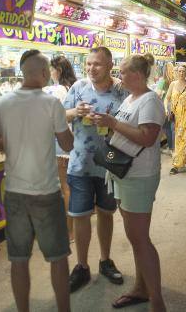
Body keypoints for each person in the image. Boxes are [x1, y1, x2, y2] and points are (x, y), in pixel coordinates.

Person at [0, 51, 74, 312]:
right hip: (47, 192)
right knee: (58, 258)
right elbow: (67, 144)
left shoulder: (1, 104)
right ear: (45, 73)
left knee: (18, 259)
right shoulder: (52, 104)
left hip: (14, 192)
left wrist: (14, 139)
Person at [90, 55, 168, 310]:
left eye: (122, 72)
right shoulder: (130, 99)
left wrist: (113, 123)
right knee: (135, 237)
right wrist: (109, 125)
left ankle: (156, 300)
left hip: (139, 175)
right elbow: (126, 129)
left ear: (136, 75)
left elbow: (147, 138)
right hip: (123, 173)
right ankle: (141, 288)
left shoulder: (150, 100)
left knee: (140, 238)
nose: (119, 76)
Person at [62, 47, 128, 292]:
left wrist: (112, 124)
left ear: (109, 64)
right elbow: (61, 115)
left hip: (109, 164)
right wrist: (74, 112)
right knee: (79, 216)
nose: (91, 68)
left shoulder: (121, 89)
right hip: (79, 163)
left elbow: (131, 121)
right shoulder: (78, 87)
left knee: (106, 213)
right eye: (88, 64)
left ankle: (105, 260)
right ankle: (81, 266)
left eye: (97, 64)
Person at [46, 55, 78, 241]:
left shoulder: (57, 90)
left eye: (52, 69)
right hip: (71, 141)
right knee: (69, 186)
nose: (50, 73)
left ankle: (69, 231)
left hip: (59, 143)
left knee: (64, 187)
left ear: (59, 70)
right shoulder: (72, 87)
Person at [165, 65, 186, 174]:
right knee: (184, 139)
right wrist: (167, 110)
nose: (181, 73)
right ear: (176, 72)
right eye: (179, 71)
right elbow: (167, 98)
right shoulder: (173, 84)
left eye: (183, 71)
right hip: (176, 117)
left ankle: (177, 165)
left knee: (184, 138)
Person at [156, 63, 175, 152]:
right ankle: (174, 147)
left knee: (166, 128)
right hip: (174, 105)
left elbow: (158, 94)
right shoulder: (175, 80)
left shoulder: (163, 81)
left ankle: (171, 148)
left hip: (165, 105)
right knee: (173, 127)